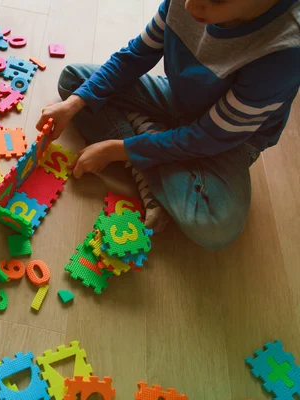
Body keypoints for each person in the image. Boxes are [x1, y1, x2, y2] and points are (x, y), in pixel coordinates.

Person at [37, 0, 300, 250]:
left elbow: (208, 138)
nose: (189, 6)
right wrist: (73, 104)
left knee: (216, 225)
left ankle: (143, 144)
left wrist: (117, 149)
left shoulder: (284, 52)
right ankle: (147, 148)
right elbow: (135, 55)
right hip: (181, 100)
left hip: (230, 140)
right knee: (76, 84)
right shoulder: (189, 3)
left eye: (217, 0)